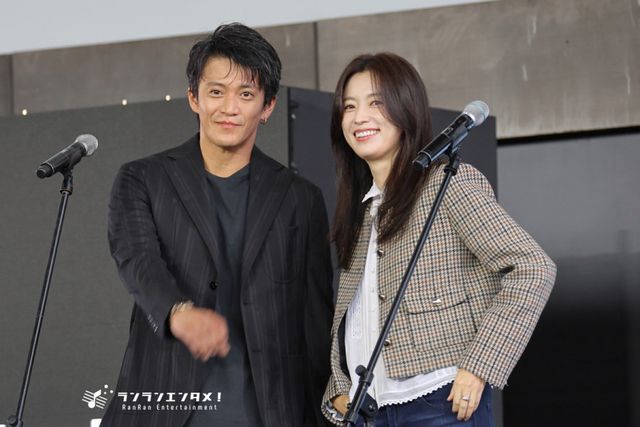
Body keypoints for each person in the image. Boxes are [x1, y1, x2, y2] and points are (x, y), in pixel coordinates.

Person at [101, 23, 334, 427]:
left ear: (268, 106)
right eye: (216, 92)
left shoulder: (300, 198)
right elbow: (137, 260)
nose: (229, 108)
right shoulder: (143, 179)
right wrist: (177, 312)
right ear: (194, 97)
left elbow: (315, 322)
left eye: (246, 94)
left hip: (269, 411)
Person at [321, 52, 556, 426]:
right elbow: (354, 313)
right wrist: (339, 389)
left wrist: (479, 365)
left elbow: (532, 267)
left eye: (376, 102)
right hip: (370, 412)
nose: (359, 116)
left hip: (439, 403)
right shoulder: (361, 210)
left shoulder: (447, 184)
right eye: (349, 106)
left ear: (406, 107)